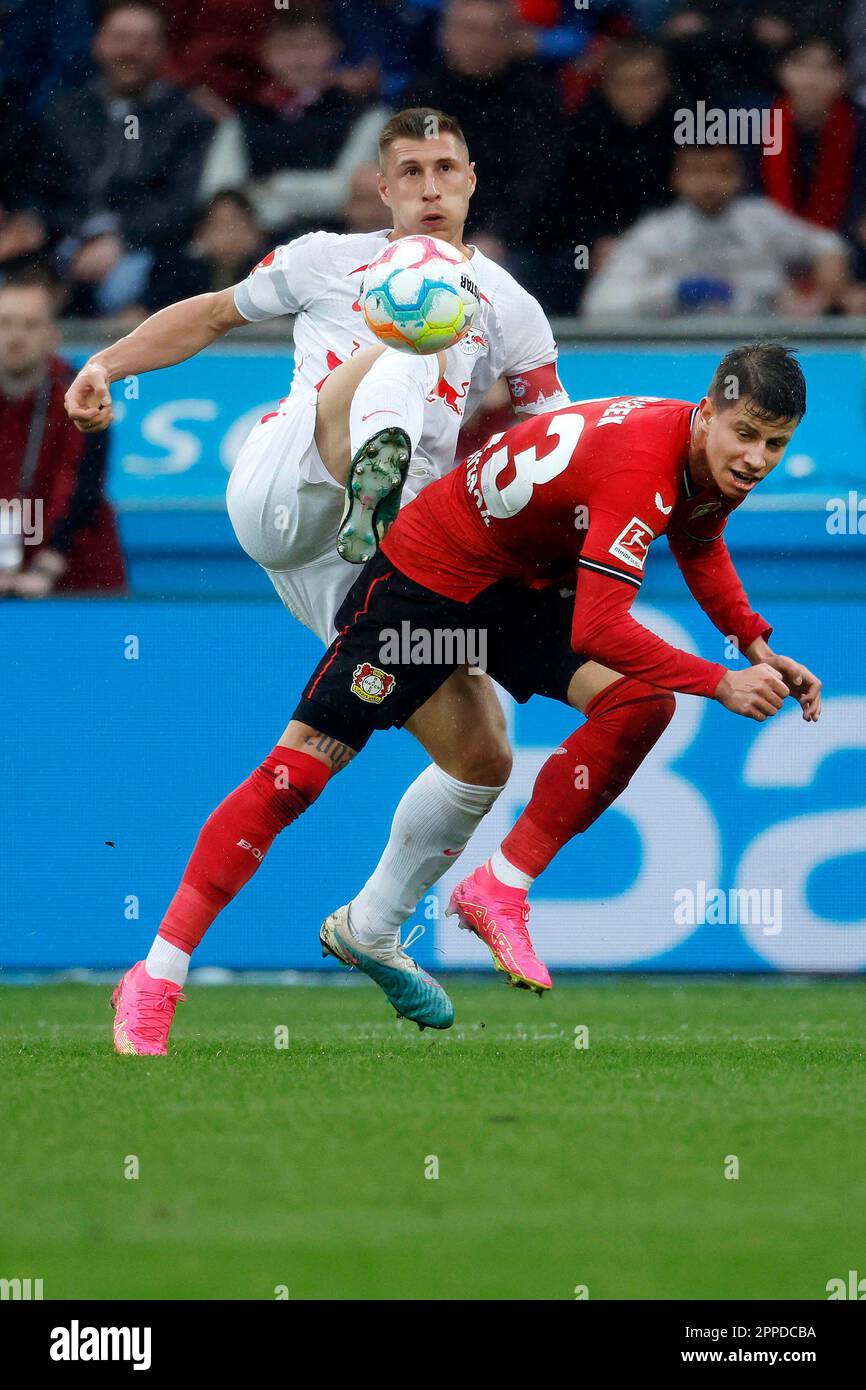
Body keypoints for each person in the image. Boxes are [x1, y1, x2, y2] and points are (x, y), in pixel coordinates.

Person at [103, 343, 820, 1054]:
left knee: (637, 704)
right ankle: (155, 975)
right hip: (429, 580)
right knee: (297, 775)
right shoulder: (641, 465)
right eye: (746, 434)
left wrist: (754, 644)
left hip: (515, 586)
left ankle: (493, 889)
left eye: (776, 444)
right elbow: (600, 624)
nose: (757, 457)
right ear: (705, 415)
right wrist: (720, 679)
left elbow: (698, 543)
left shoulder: (697, 462)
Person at [64, 106, 573, 1053]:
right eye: (409, 172)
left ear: (470, 180)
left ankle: (337, 934)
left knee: (480, 756)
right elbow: (210, 315)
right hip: (289, 481)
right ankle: (375, 469)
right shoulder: (326, 260)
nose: (428, 187)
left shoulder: (513, 307)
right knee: (415, 313)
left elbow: (555, 439)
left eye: (445, 170)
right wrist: (105, 362)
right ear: (381, 189)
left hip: (366, 565)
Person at [42, 0, 214, 316]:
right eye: (120, 38)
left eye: (144, 41)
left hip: (151, 252)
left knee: (132, 287)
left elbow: (182, 202)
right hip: (63, 244)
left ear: (163, 49)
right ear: (99, 43)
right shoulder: (64, 114)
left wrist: (122, 238)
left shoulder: (188, 120)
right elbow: (43, 191)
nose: (131, 51)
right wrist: (83, 237)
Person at [582, 144, 857, 319]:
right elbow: (600, 307)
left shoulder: (762, 219)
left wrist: (830, 265)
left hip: (763, 356)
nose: (709, 183)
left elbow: (827, 244)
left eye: (722, 171)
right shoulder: (655, 233)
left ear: (740, 176)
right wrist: (672, 292)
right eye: (696, 171)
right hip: (681, 355)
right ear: (676, 177)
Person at [0, 276, 125, 596]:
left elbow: (80, 486)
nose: (15, 336)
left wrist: (48, 562)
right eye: (5, 324)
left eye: (29, 325)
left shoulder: (83, 396)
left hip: (79, 572)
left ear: (52, 336)